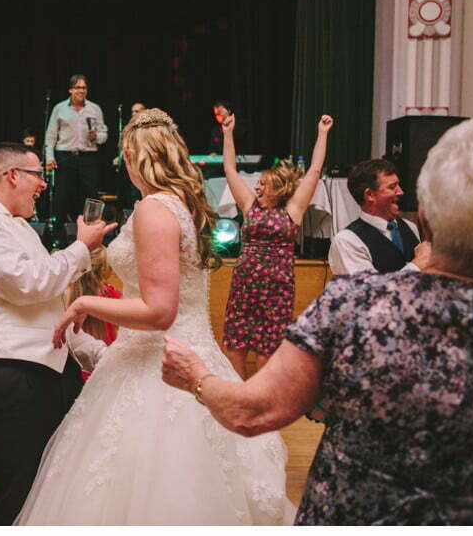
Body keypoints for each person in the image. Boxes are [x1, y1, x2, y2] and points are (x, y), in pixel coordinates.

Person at [161, 116, 473, 525]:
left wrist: (195, 375)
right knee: (240, 351)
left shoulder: (351, 305)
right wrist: (230, 134)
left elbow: (252, 412)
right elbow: (232, 170)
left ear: (426, 217)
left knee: (267, 362)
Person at [16, 109, 294, 525]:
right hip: (178, 352)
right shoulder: (182, 205)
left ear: (131, 155)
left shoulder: (154, 209)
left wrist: (84, 304)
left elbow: (159, 311)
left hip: (160, 363)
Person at [0, 142, 115, 525]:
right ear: (13, 175)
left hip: (54, 375)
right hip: (12, 377)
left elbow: (48, 309)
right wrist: (80, 248)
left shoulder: (22, 229)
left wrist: (97, 353)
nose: (43, 185)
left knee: (54, 489)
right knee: (9, 495)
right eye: (39, 175)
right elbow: (27, 284)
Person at [220, 113, 334, 379]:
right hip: (244, 286)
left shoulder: (293, 210)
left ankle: (260, 399)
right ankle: (240, 395)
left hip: (277, 289)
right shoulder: (249, 205)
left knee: (267, 349)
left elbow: (315, 171)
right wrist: (228, 134)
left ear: (278, 188)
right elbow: (229, 170)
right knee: (235, 344)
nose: (257, 187)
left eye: (263, 184)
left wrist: (323, 133)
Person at [328, 158, 429, 275]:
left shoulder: (410, 227)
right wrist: (416, 265)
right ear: (370, 195)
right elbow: (370, 290)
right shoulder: (347, 242)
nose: (401, 192)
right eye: (392, 187)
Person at [45, 74, 108, 232]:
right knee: (63, 196)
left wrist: (97, 137)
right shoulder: (59, 108)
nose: (81, 90)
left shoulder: (94, 108)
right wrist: (50, 158)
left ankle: (91, 232)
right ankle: (58, 235)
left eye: (84, 87)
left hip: (88, 156)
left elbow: (104, 134)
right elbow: (51, 135)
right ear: (70, 89)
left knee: (90, 195)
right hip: (65, 156)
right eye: (78, 87)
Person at [66, 246, 121, 380]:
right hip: (104, 360)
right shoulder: (111, 294)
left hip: (77, 368)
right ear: (103, 270)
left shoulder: (68, 293)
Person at [114, 102, 145, 211]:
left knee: (136, 194)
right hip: (128, 167)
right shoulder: (128, 128)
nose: (134, 113)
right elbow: (123, 146)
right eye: (133, 111)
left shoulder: (147, 129)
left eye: (137, 111)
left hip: (140, 166)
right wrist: (119, 156)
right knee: (126, 195)